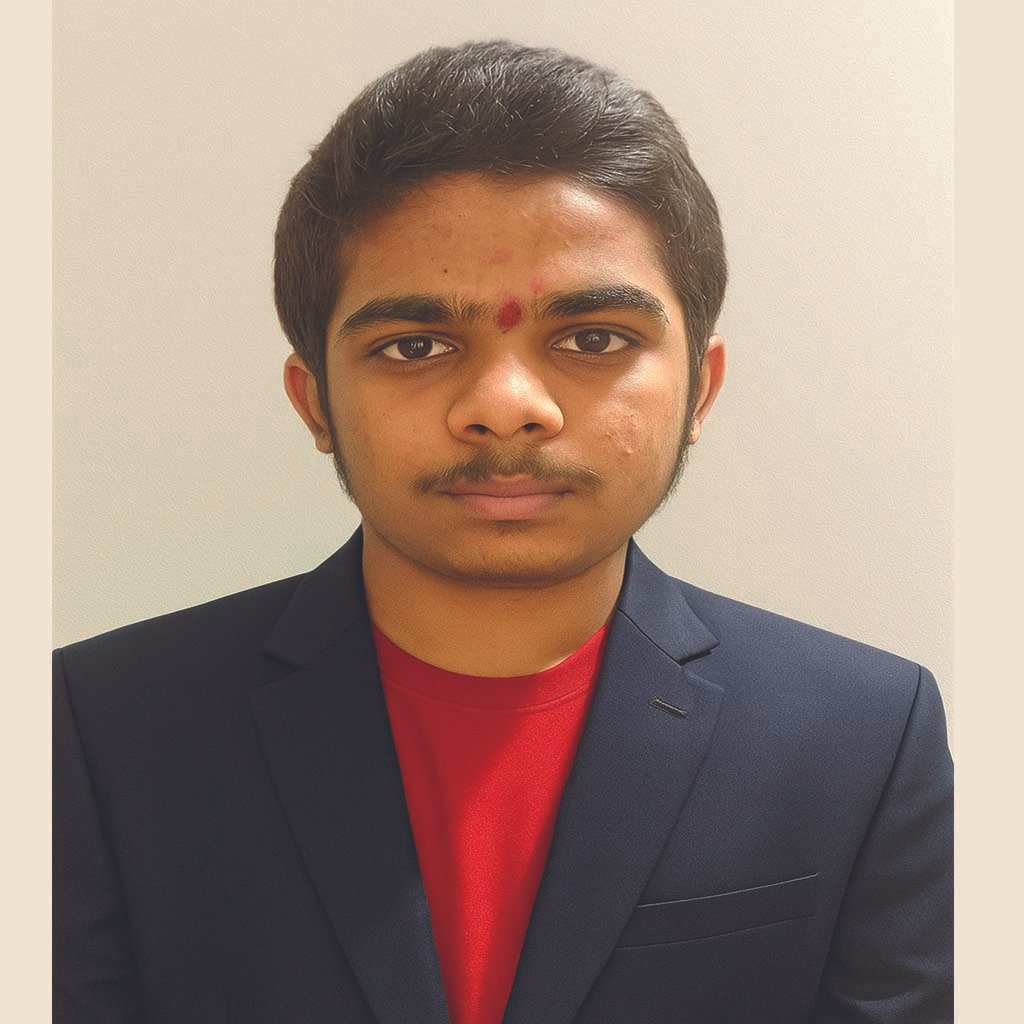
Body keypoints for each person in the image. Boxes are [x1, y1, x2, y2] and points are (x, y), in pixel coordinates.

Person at [53, 40, 953, 1024]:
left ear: (701, 386)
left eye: (594, 338)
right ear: (315, 402)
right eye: (415, 345)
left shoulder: (865, 737)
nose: (506, 405)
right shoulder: (98, 731)